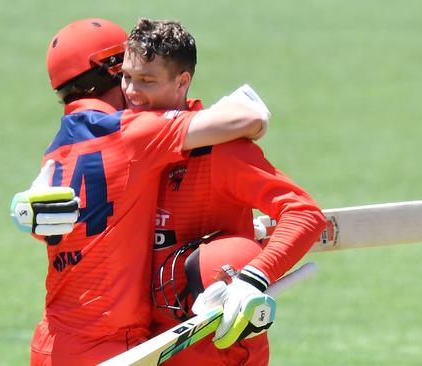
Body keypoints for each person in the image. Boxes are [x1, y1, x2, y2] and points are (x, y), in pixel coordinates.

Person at [9, 18, 271, 366]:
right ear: (115, 68)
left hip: (51, 342)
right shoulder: (132, 132)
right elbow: (248, 119)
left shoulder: (55, 153)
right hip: (111, 345)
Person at [121, 19, 327, 365]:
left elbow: (304, 214)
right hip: (147, 345)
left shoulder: (219, 151)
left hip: (220, 347)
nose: (131, 92)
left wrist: (253, 277)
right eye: (126, 76)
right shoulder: (124, 142)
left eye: (146, 80)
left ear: (182, 82)